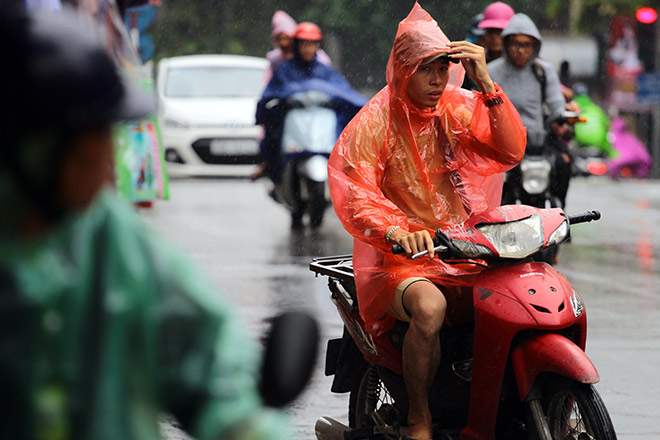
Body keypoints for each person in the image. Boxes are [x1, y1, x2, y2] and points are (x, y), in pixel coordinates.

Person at [0, 6, 288, 440]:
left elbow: (205, 351)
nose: (109, 167)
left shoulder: (103, 232)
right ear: (35, 148)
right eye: (92, 142)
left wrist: (241, 423)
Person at [327, 3, 526, 439]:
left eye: (443, 68)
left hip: (464, 248)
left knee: (519, 300)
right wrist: (397, 231)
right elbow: (355, 192)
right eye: (426, 70)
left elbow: (508, 152)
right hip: (400, 259)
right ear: (402, 70)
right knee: (431, 308)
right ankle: (420, 417)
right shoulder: (374, 121)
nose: (438, 81)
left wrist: (487, 82)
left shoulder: (455, 108)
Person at [255, 21, 366, 227]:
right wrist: (280, 104)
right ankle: (274, 171)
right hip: (292, 127)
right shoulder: (285, 70)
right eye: (304, 44)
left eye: (312, 44)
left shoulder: (326, 71)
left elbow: (345, 94)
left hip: (320, 125)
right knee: (271, 138)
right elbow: (269, 95)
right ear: (297, 45)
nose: (308, 49)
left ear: (318, 46)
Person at [488, 13, 573, 207]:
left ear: (535, 47)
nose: (520, 50)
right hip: (502, 148)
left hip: (538, 145)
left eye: (526, 45)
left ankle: (560, 207)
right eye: (515, 44)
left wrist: (560, 117)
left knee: (565, 162)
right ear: (506, 44)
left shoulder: (543, 71)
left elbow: (555, 102)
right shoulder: (491, 71)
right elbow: (478, 104)